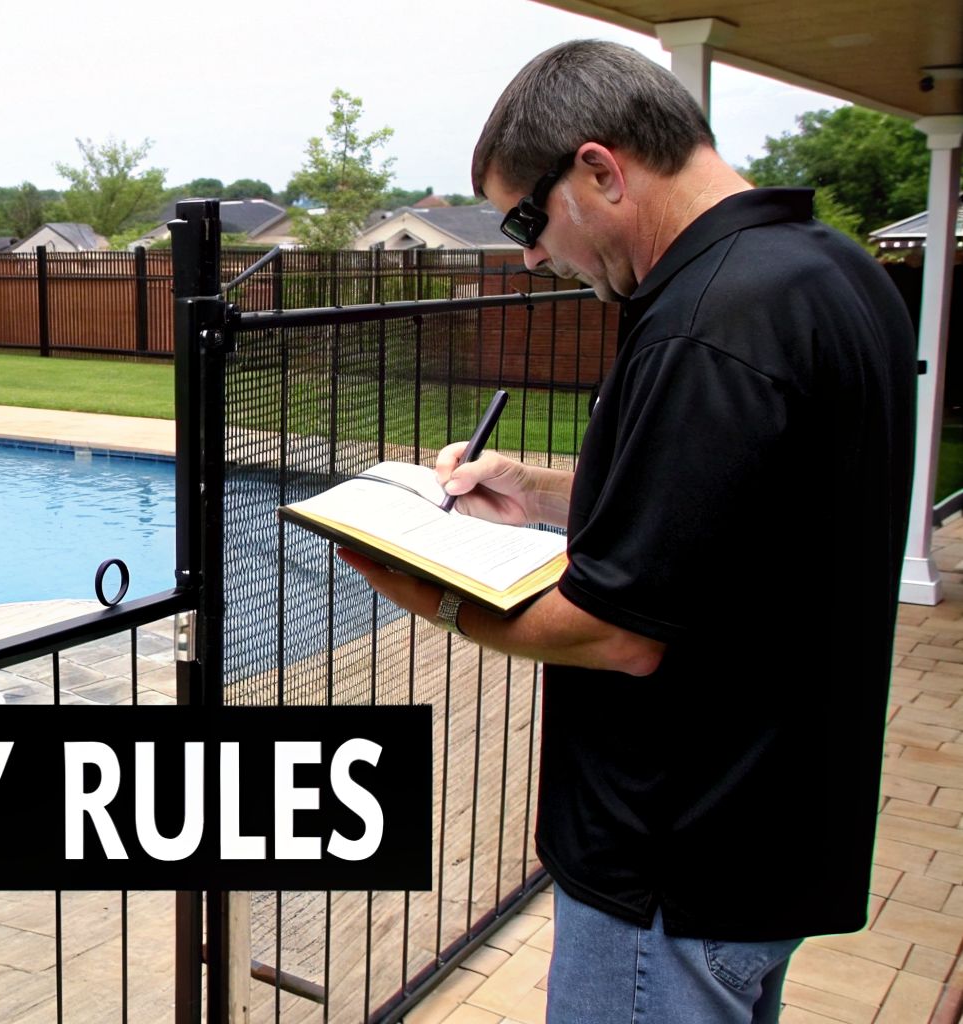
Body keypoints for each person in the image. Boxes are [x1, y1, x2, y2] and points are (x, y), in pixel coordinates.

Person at [336, 39, 916, 1024]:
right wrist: (534, 488)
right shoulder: (824, 273)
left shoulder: (706, 323)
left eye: (526, 216)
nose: (527, 253)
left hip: (669, 867)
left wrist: (430, 594)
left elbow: (619, 630)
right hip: (766, 834)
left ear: (599, 169)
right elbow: (726, 508)